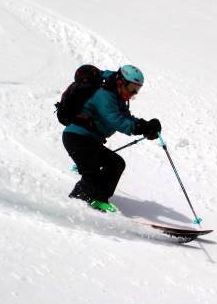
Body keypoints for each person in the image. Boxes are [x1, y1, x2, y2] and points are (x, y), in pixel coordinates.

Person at [62, 65, 161, 212]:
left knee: (116, 163)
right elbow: (116, 120)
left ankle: (98, 198)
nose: (134, 93)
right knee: (91, 171)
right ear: (121, 82)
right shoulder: (105, 95)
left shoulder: (118, 98)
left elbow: (127, 118)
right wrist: (139, 128)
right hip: (77, 136)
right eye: (132, 87)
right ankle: (75, 203)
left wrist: (145, 125)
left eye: (137, 89)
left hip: (91, 139)